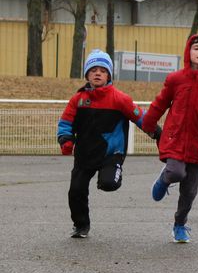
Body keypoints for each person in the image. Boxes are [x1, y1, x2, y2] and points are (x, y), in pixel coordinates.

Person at [57, 50, 155, 238]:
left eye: (103, 70)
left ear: (109, 75)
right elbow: (65, 122)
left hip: (111, 153)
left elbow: (140, 117)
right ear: (87, 75)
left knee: (109, 184)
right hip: (84, 155)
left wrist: (157, 133)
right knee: (75, 191)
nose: (98, 73)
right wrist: (65, 139)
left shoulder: (120, 98)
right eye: (93, 70)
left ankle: (113, 173)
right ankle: (81, 225)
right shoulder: (78, 100)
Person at [143, 34, 198, 243]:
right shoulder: (176, 79)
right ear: (188, 52)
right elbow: (160, 104)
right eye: (197, 48)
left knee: (189, 191)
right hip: (175, 138)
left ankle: (179, 225)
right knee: (175, 172)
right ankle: (164, 179)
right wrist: (148, 125)